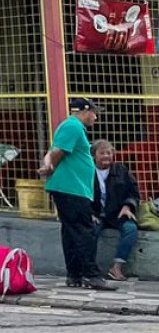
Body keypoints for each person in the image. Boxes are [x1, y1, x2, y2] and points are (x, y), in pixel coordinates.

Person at [40, 97, 117, 290]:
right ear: (84, 111)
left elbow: (52, 152)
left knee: (71, 231)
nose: (96, 117)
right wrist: (51, 167)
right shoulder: (73, 126)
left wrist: (48, 164)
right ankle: (91, 275)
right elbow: (58, 152)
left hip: (70, 187)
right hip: (71, 188)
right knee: (84, 230)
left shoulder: (69, 127)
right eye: (94, 112)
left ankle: (74, 274)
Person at [93, 139, 141, 282]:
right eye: (102, 153)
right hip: (96, 214)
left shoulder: (121, 170)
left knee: (130, 229)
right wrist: (88, 213)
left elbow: (133, 193)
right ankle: (89, 268)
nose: (106, 156)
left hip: (117, 214)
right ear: (94, 155)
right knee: (89, 232)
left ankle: (116, 267)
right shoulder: (88, 171)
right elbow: (81, 195)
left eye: (109, 153)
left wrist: (128, 206)